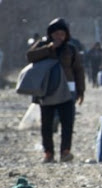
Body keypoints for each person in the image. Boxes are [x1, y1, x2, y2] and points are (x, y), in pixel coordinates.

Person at [26, 18, 85, 163]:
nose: (59, 37)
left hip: (67, 90)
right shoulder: (42, 45)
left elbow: (78, 69)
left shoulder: (70, 49)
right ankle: (48, 153)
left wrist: (81, 90)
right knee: (46, 123)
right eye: (56, 34)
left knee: (67, 122)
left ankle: (65, 151)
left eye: (62, 34)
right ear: (51, 34)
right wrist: (49, 48)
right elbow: (30, 56)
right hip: (47, 91)